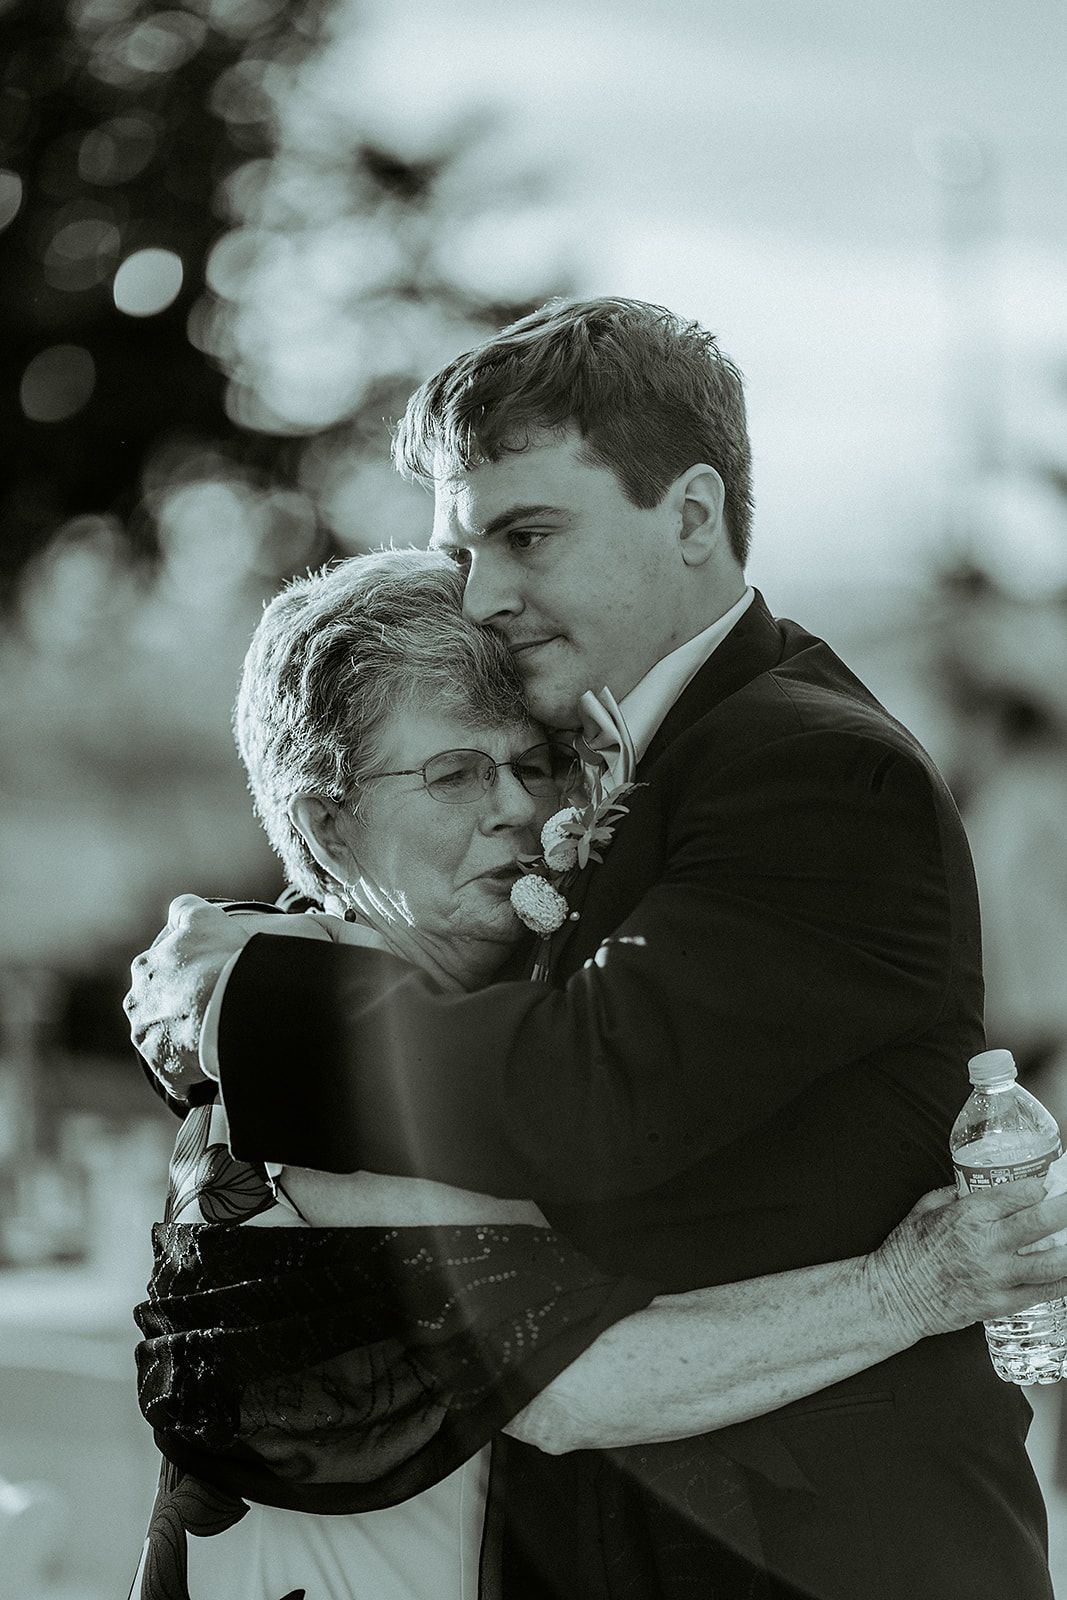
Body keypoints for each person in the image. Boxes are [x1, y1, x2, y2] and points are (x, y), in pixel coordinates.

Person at [127, 299, 1057, 1600]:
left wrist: (244, 1003)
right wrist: (916, 1285)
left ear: (688, 516)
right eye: (455, 772)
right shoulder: (320, 1081)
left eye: (527, 534)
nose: (489, 592)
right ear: (321, 812)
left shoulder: (806, 767)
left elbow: (587, 1088)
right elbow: (571, 1376)